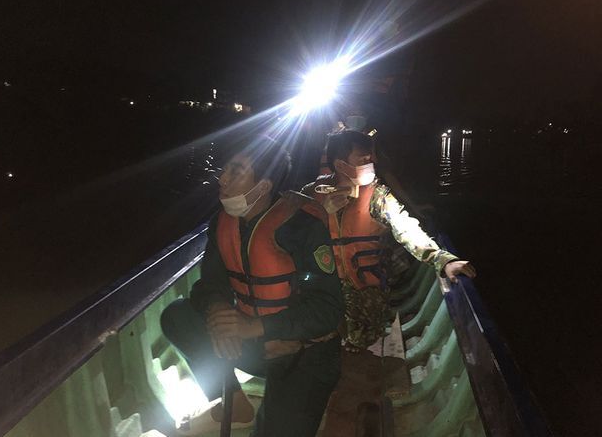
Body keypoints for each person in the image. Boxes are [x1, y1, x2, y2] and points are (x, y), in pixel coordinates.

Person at [161, 136, 344, 436]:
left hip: (304, 353)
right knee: (176, 316)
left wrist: (259, 327)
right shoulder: (222, 223)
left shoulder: (303, 227)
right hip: (253, 346)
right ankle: (235, 404)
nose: (222, 179)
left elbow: (327, 309)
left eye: (235, 171)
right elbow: (209, 284)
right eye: (225, 170)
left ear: (264, 186)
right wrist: (217, 311)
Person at [302, 130, 476, 353]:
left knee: (360, 340)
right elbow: (293, 236)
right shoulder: (311, 194)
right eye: (364, 159)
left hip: (364, 291)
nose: (372, 163)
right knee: (318, 332)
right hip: (322, 285)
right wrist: (321, 214)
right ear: (340, 164)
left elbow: (406, 228)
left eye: (371, 157)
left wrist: (441, 259)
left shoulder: (377, 196)